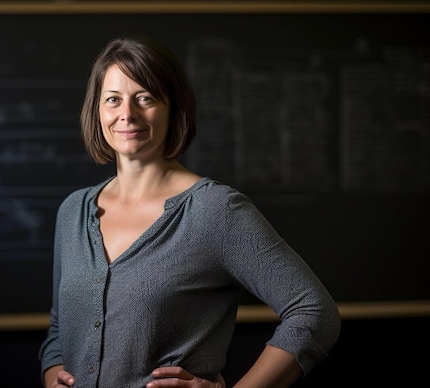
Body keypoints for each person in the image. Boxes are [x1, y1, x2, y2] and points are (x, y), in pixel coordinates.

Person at [39, 34, 341, 388]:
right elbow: (60, 328)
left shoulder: (216, 211)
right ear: (97, 110)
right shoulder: (73, 211)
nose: (127, 114)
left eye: (145, 98)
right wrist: (50, 374)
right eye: (113, 100)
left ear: (173, 107)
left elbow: (315, 313)